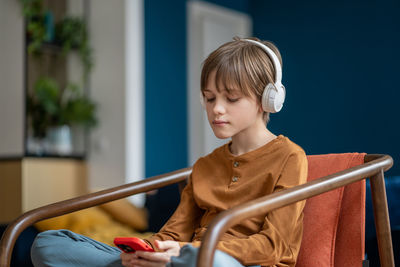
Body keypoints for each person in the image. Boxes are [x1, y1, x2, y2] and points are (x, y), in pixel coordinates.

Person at [31, 37, 308, 267]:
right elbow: (173, 233)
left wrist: (187, 251)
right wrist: (146, 250)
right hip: (184, 259)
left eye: (231, 98)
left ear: (267, 99)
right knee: (48, 244)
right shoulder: (204, 166)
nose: (216, 109)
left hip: (235, 263)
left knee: (214, 261)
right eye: (209, 98)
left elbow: (273, 245)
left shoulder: (290, 157)